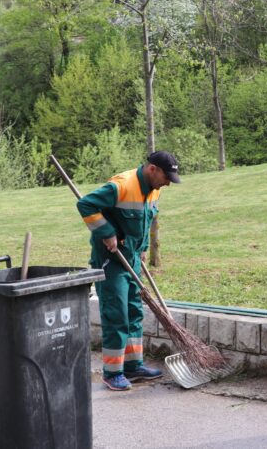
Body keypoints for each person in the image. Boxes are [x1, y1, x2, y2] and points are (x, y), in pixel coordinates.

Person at [77, 151, 181, 391]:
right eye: (167, 177)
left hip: (133, 257)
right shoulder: (122, 186)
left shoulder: (155, 189)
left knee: (134, 312)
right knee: (117, 315)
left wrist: (143, 248)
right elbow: (86, 204)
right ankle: (112, 373)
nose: (168, 183)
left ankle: (133, 367)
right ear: (152, 169)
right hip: (111, 261)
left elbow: (144, 221)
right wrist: (107, 232)